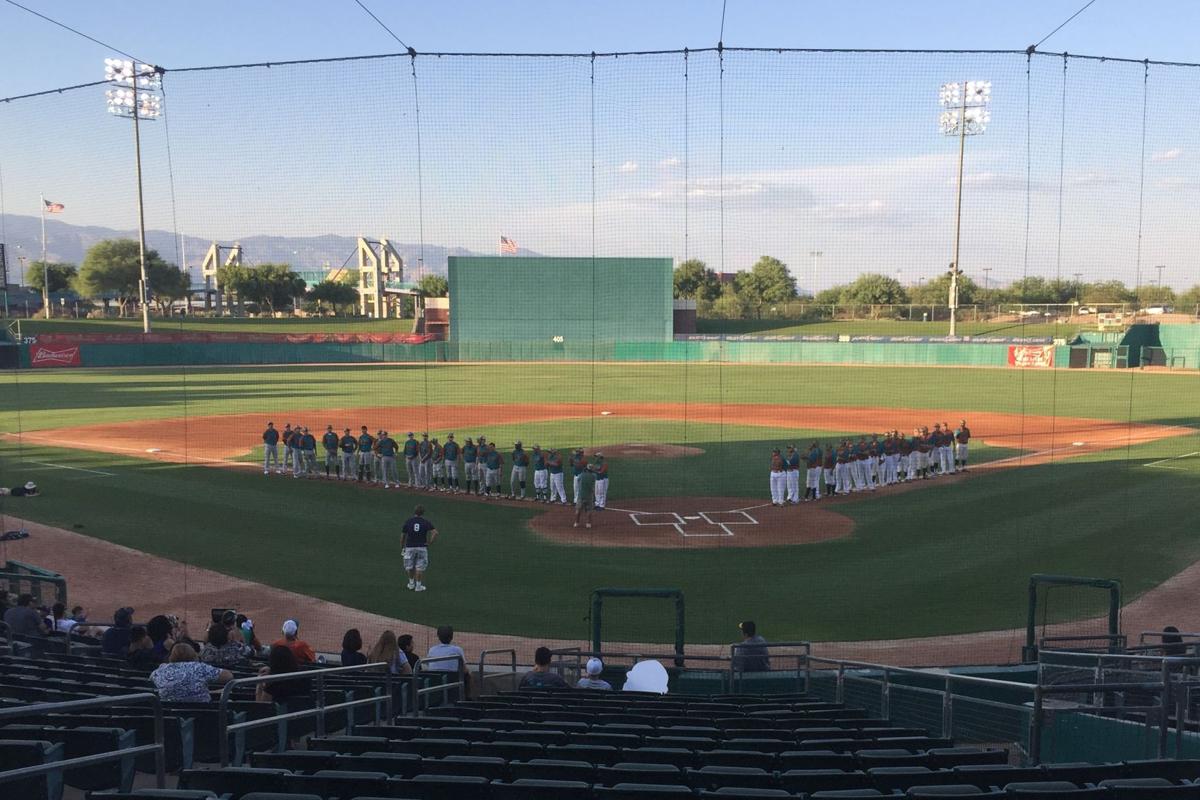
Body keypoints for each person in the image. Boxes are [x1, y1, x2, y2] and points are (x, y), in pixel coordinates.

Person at [151, 643, 232, 702]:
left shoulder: (161, 670)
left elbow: (151, 679)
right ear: (193, 655)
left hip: (171, 718)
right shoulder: (199, 667)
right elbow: (229, 676)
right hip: (203, 716)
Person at [401, 504, 438, 592]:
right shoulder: (425, 522)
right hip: (422, 547)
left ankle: (411, 584)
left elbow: (402, 536)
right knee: (419, 567)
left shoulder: (408, 521)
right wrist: (429, 542)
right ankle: (418, 586)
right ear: (423, 513)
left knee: (409, 566)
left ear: (415, 512)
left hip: (410, 547)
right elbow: (435, 533)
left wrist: (402, 547)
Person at [426, 625, 471, 695]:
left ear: (438, 636)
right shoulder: (457, 650)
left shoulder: (432, 650)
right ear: (452, 637)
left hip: (434, 683)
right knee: (468, 675)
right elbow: (465, 670)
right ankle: (467, 698)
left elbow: (428, 665)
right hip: (452, 683)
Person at [574, 463, 597, 529]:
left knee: (578, 510)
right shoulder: (594, 476)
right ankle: (588, 524)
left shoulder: (581, 475)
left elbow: (578, 481)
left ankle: (576, 523)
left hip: (581, 495)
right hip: (589, 495)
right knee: (589, 510)